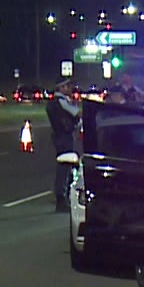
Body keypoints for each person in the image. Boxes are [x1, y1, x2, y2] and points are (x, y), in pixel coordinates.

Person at [47, 79, 81, 212]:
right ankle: (62, 198)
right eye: (67, 86)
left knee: (65, 166)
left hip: (59, 136)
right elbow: (77, 113)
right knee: (65, 167)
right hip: (64, 137)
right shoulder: (62, 102)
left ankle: (63, 196)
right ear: (60, 88)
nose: (70, 88)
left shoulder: (55, 103)